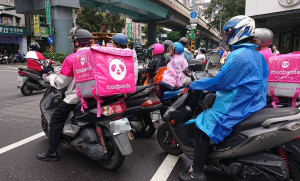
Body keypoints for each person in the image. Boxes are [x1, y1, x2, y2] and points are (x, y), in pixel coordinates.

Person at [179, 15, 269, 181]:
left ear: (241, 32)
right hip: (254, 103)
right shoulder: (257, 55)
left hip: (238, 105)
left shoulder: (240, 55)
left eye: (229, 32)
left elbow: (222, 81)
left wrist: (195, 84)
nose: (227, 36)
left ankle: (197, 172)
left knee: (202, 124)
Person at [36, 27, 94, 161]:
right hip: (99, 95)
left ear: (77, 42)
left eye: (73, 41)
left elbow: (61, 83)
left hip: (77, 97)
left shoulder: (72, 58)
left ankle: (51, 153)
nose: (73, 44)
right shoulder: (98, 54)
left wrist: (49, 78)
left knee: (56, 120)